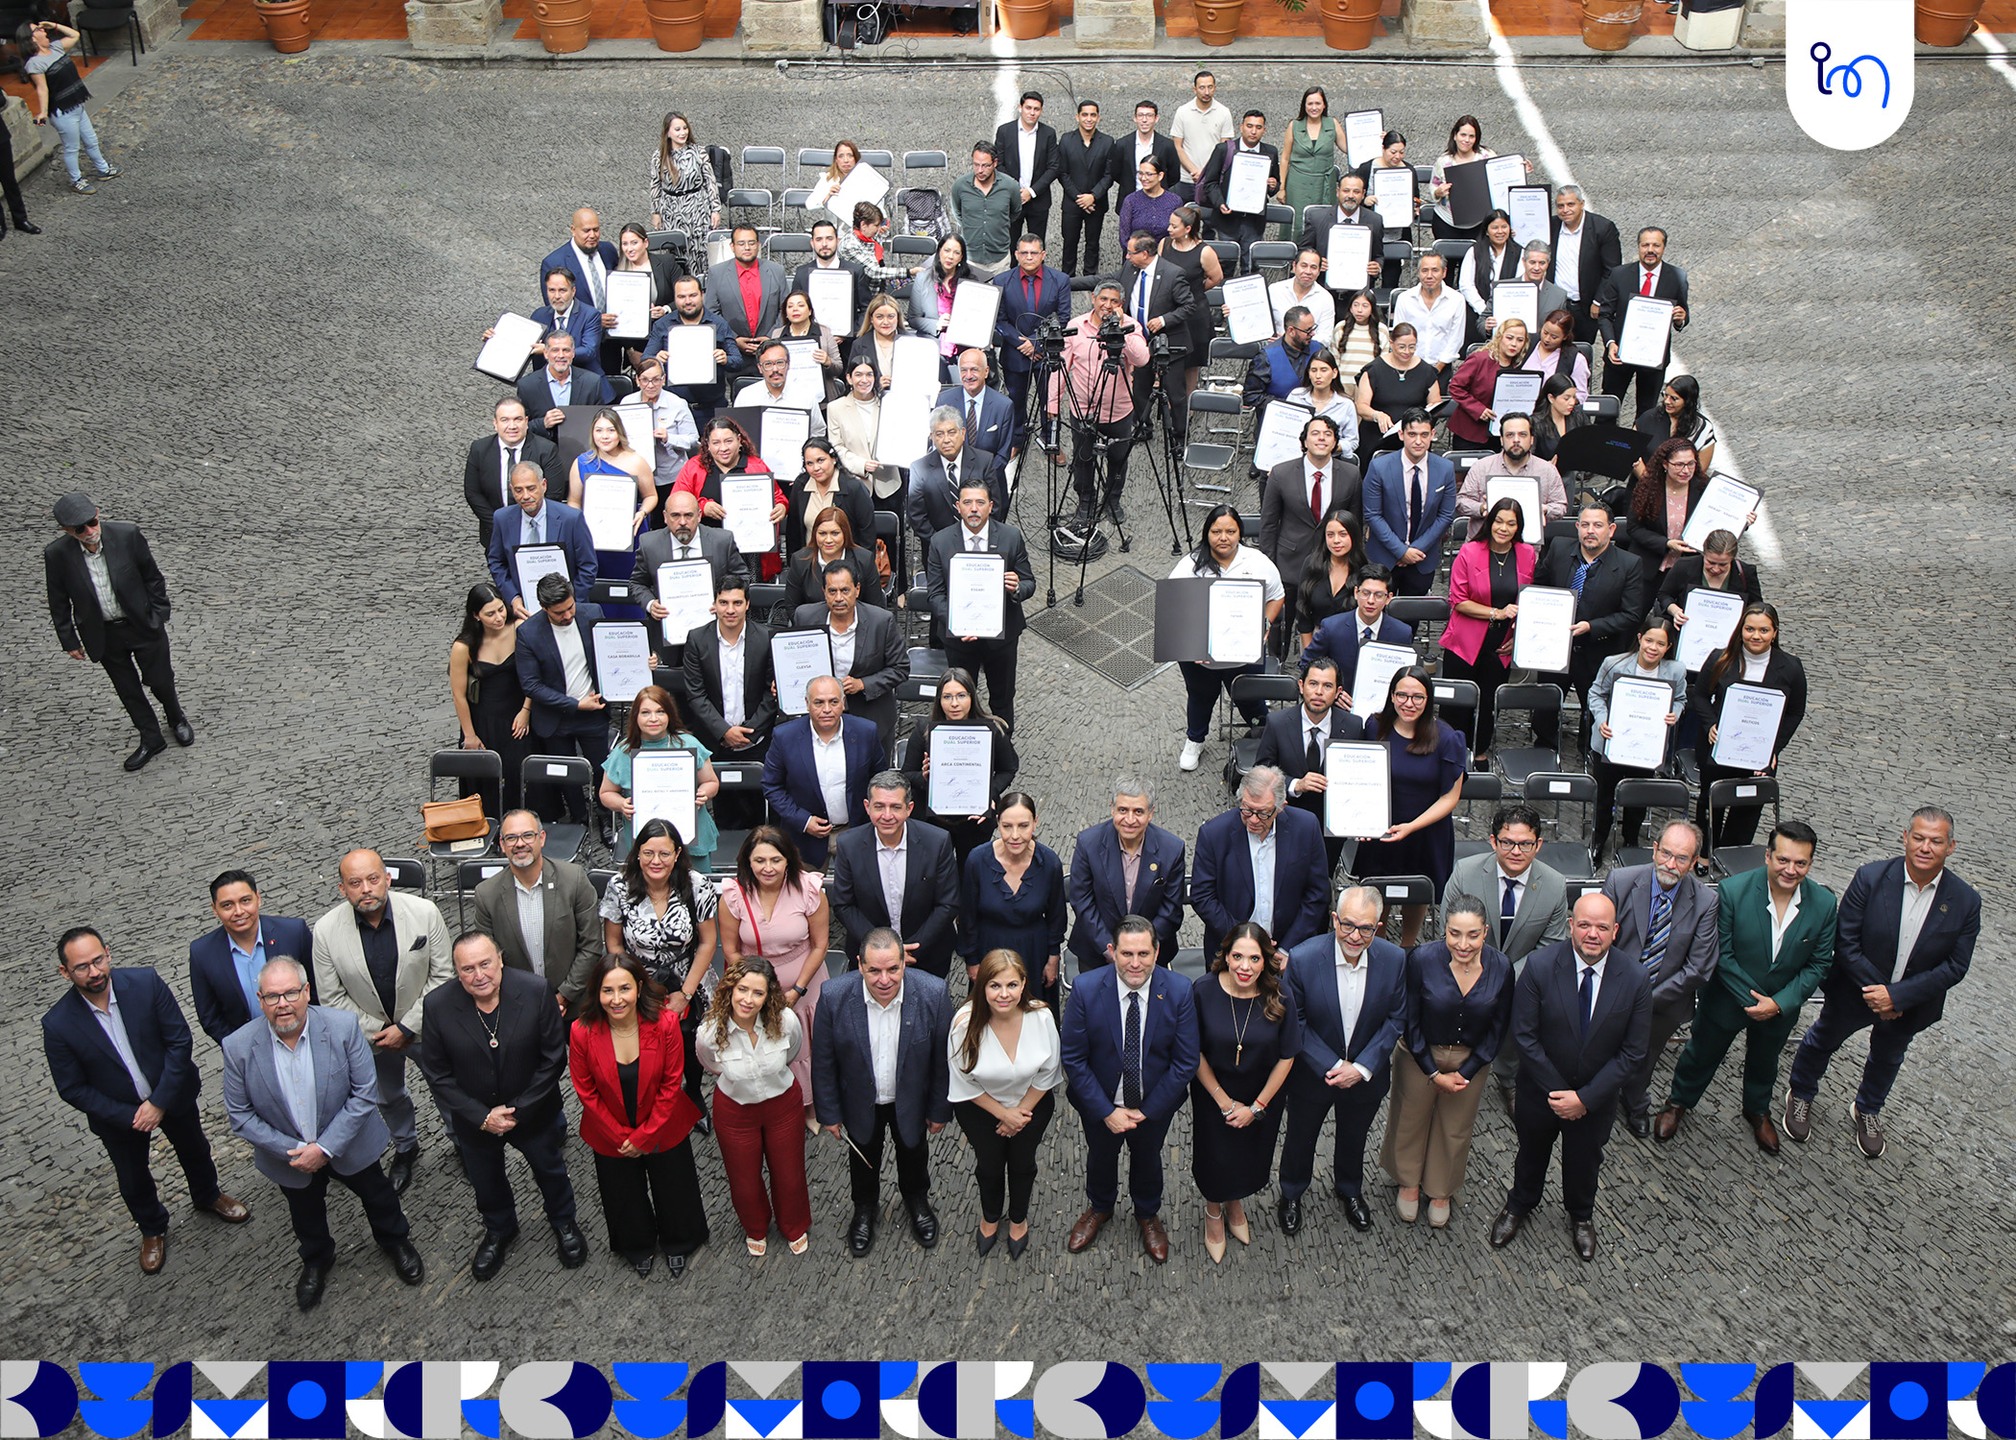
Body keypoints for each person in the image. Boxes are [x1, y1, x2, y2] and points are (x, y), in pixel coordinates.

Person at [221, 957, 423, 1310]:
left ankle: (395, 1240)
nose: (283, 1004)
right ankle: (316, 1258)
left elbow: (364, 1092)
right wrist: (296, 1151)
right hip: (292, 1160)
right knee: (305, 1212)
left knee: (379, 1196)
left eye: (290, 993)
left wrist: (326, 1148)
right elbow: (240, 1114)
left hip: (351, 1144)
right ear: (260, 999)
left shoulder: (342, 1027)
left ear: (306, 991)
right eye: (272, 997)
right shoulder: (238, 1047)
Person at [44, 930, 249, 1274]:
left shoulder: (146, 983)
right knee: (132, 1176)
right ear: (65, 972)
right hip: (120, 1118)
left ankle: (208, 1195)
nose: (94, 972)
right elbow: (72, 1087)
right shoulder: (58, 1023)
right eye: (81, 967)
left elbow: (179, 1041)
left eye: (98, 960)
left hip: (171, 1096)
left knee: (195, 1148)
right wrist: (131, 1115)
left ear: (108, 953)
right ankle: (152, 1228)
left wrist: (159, 1102)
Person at [1785, 808, 1979, 1160]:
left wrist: (1898, 997)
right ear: (1905, 838)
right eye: (1919, 838)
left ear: (1951, 847)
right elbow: (1846, 941)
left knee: (1888, 1057)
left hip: (1912, 1004)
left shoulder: (1966, 901)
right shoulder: (1870, 878)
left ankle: (1868, 1109)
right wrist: (1880, 994)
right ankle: (1800, 1093)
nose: (1925, 847)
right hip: (1855, 991)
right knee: (1823, 1039)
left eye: (1936, 841)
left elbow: (1956, 966)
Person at [1487, 893, 1650, 1262]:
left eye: (1602, 927)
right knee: (1530, 1154)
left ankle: (1581, 1216)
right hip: (1540, 1094)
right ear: (1571, 926)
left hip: (1596, 1099)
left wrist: (1586, 1099)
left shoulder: (1635, 978)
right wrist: (1562, 1093)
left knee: (1585, 1160)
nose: (1593, 934)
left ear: (1615, 931)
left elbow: (1633, 1052)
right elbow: (1524, 1036)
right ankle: (1519, 1205)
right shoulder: (1541, 966)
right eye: (1585, 925)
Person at [1657, 822, 1836, 1154]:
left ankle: (1757, 1109)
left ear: (1810, 864)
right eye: (1783, 859)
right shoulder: (1732, 891)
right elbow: (1721, 954)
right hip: (1725, 1000)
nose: (1790, 869)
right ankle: (1678, 1102)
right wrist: (1755, 999)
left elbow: (1819, 964)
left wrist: (1778, 1003)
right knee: (1700, 1055)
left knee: (1765, 1061)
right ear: (1767, 856)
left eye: (1801, 863)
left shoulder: (1824, 904)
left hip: (1780, 1009)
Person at [420, 933, 586, 1280]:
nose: (479, 975)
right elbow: (438, 1073)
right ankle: (500, 1229)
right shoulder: (437, 1005)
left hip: (534, 1111)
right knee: (486, 1180)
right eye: (467, 969)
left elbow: (553, 1059)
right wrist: (481, 1116)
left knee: (550, 1171)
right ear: (456, 972)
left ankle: (563, 1222)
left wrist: (518, 1110)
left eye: (485, 964)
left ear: (500, 960)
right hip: (475, 1119)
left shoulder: (536, 990)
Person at [308, 849, 454, 1193]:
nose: (366, 889)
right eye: (355, 883)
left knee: (446, 1088)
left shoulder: (424, 913)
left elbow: (443, 976)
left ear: (387, 878)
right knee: (387, 1097)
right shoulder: (326, 932)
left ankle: (461, 1142)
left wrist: (407, 1027)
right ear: (342, 888)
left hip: (425, 1028)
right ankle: (405, 1146)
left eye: (373, 879)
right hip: (371, 1040)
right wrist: (382, 1033)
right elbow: (331, 999)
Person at [1059, 915, 1199, 1263]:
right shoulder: (1086, 989)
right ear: (1112, 952)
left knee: (1148, 1158)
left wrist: (1147, 1111)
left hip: (1153, 1105)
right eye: (1126, 954)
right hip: (1100, 1104)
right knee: (1100, 1155)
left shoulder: (1180, 990)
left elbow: (1185, 1062)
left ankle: (1147, 1214)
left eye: (1143, 954)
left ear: (1157, 952)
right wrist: (1106, 1112)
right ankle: (1100, 1207)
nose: (1135, 963)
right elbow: (1074, 1059)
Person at [811, 928, 953, 1256]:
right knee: (863, 1158)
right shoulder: (833, 996)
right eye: (874, 970)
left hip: (912, 1100)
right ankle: (864, 1209)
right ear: (860, 965)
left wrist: (938, 1109)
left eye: (893, 969)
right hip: (861, 1102)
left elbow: (941, 1062)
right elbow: (823, 1062)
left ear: (905, 963)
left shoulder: (934, 993)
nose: (884, 979)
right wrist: (829, 1113)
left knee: (914, 1154)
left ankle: (917, 1201)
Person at [568, 951, 708, 1277]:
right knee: (622, 1192)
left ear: (639, 988)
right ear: (596, 992)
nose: (617, 999)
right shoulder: (580, 1031)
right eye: (608, 991)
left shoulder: (666, 1023)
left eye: (624, 989)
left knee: (674, 1185)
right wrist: (622, 1137)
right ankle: (636, 1244)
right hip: (609, 1126)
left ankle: (680, 1240)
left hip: (663, 1119)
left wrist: (645, 1135)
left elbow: (673, 1083)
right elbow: (585, 1090)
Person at [1277, 886, 1406, 1234]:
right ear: (1334, 919)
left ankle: (1349, 1189)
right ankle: (1291, 1193)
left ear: (1378, 927)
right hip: (1312, 1075)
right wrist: (1334, 1066)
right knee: (1300, 1137)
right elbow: (1296, 1022)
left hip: (1366, 1076)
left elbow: (1396, 1019)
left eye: (1365, 928)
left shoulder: (1394, 960)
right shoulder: (1303, 959)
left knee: (1355, 1137)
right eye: (1347, 924)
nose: (1354, 935)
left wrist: (1361, 1068)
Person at [1379, 896, 1513, 1228]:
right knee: (1409, 1118)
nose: (1463, 944)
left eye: (1472, 935)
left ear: (1485, 932)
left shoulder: (1502, 968)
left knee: (1455, 1127)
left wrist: (1466, 1071)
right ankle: (1408, 1180)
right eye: (1455, 934)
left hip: (1472, 1059)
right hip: (1419, 1053)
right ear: (1444, 930)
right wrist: (1432, 1071)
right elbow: (1409, 1020)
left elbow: (1498, 1029)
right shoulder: (1421, 960)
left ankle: (1440, 1189)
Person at [45, 492, 191, 773]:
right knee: (127, 688)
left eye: (92, 522)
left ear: (98, 513)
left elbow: (152, 576)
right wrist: (68, 639)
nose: (90, 531)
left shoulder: (127, 535)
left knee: (160, 679)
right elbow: (58, 601)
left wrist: (158, 615)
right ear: (66, 530)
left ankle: (176, 718)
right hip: (104, 633)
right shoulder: (57, 555)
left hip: (141, 625)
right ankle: (151, 737)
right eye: (80, 529)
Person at [1443, 804, 1568, 1111]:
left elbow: (1550, 947)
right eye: (1507, 842)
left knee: (1519, 1017)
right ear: (1492, 841)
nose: (1516, 851)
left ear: (1538, 845)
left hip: (1522, 978)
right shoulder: (1465, 872)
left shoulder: (1554, 885)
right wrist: (1478, 974)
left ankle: (1507, 1078)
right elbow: (1449, 929)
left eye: (1525, 843)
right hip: (1466, 968)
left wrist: (1503, 981)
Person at [1189, 923, 1300, 1260]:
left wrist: (1256, 1107)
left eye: (1254, 958)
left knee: (1248, 1155)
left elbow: (1288, 1055)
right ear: (1225, 955)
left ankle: (1235, 1203)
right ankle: (1213, 1210)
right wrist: (1225, 1103)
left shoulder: (1280, 994)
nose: (1244, 967)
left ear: (1266, 960)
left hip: (1261, 1095)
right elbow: (1194, 1052)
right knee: (1214, 1156)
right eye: (1237, 956)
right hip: (1214, 1095)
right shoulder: (1203, 991)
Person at [1601, 821, 1718, 1137]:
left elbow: (1698, 968)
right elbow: (1597, 941)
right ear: (1654, 849)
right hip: (1610, 992)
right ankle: (1598, 1099)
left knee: (1645, 1059)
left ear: (1694, 863)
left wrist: (1643, 1002)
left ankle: (1635, 1102)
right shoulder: (1620, 881)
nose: (1670, 864)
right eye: (1666, 853)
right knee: (1599, 1049)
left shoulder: (1706, 902)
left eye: (1681, 858)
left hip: (1663, 1004)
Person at [600, 817, 718, 1115]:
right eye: (648, 853)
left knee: (690, 1043)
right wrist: (631, 985)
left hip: (689, 979)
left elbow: (707, 943)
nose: (656, 861)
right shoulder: (619, 886)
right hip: (637, 981)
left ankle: (693, 1092)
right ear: (637, 852)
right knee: (646, 1048)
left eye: (664, 854)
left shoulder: (697, 885)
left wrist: (686, 994)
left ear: (677, 854)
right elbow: (613, 944)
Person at [948, 949, 1061, 1257]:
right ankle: (990, 1216)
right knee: (989, 1166)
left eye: (1012, 985)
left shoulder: (1042, 1017)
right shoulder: (963, 1024)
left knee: (1024, 1165)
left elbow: (1049, 1071)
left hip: (1032, 1108)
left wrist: (1019, 1114)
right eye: (995, 985)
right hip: (980, 1111)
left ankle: (1018, 1219)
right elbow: (962, 1081)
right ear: (981, 986)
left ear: (1024, 984)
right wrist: (1004, 1115)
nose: (1003, 994)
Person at [719, 825, 831, 1132]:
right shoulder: (733, 895)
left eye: (775, 860)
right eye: (759, 861)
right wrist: (758, 990)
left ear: (788, 860)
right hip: (754, 989)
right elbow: (730, 950)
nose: (767, 868)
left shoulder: (809, 889)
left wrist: (797, 989)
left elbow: (820, 945)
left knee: (806, 1046)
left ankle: (808, 1105)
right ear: (747, 862)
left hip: (804, 984)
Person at [696, 958, 811, 1255]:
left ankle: (794, 1224)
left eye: (757, 993)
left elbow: (792, 1052)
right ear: (730, 989)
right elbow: (711, 1064)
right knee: (744, 1178)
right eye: (742, 990)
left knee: (789, 1173)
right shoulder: (709, 1033)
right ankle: (755, 1225)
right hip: (735, 1111)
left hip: (783, 1105)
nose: (748, 999)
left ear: (768, 995)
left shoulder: (786, 1021)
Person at [1352, 668, 1470, 947]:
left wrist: (1412, 827)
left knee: (1416, 896)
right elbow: (1360, 777)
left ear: (1428, 699)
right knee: (1376, 896)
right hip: (1381, 828)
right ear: (1392, 696)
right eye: (1402, 694)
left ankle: (1408, 947)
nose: (1409, 702)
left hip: (1425, 832)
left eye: (1418, 697)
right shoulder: (1374, 726)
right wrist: (1357, 819)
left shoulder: (1447, 738)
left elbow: (1450, 798)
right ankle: (1377, 948)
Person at [1169, 506, 1284, 772]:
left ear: (1240, 534)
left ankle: (1265, 734)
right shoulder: (1191, 564)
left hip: (1244, 650)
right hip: (1201, 652)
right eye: (1216, 531)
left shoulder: (1256, 561)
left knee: (1249, 695)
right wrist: (1190, 644)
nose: (1224, 537)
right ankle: (1194, 739)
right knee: (1200, 696)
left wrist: (1265, 623)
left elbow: (1277, 596)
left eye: (1230, 531)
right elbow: (1173, 604)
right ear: (1206, 533)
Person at [1530, 502, 1651, 749]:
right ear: (1577, 527)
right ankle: (1545, 745)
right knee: (1545, 706)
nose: (1590, 531)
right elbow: (1538, 586)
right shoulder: (1559, 549)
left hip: (1598, 651)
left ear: (1612, 529)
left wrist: (1592, 627)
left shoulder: (1629, 564)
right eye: (1585, 525)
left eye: (1598, 525)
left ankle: (1589, 750)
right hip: (1554, 648)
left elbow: (1631, 615)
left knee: (1594, 709)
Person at [1690, 601, 1807, 849]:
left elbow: (1795, 712)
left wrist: (1774, 748)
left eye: (1763, 630)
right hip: (1719, 747)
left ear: (1775, 632)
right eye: (1750, 629)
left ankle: (1734, 852)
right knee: (1710, 801)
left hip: (1759, 752)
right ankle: (1704, 852)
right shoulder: (1719, 658)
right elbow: (1699, 695)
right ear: (1741, 629)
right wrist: (1710, 723)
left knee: (1749, 805)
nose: (1756, 636)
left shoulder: (1791, 667)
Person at [925, 479, 1035, 731]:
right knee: (959, 700)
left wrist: (1017, 587)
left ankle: (1003, 750)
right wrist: (958, 623)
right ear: (958, 507)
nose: (973, 508)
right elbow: (935, 595)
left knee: (1003, 696)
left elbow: (1029, 582)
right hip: (959, 640)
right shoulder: (940, 542)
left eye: (980, 502)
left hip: (1002, 637)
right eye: (967, 502)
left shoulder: (1011, 537)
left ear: (991, 507)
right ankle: (965, 750)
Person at [1190, 766, 1331, 961]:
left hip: (1289, 952)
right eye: (1247, 810)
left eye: (1263, 813)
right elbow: (1202, 896)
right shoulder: (1214, 834)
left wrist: (1287, 949)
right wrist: (1243, 941)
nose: (1254, 820)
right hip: (1231, 950)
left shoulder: (1306, 827)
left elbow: (1317, 893)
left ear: (1281, 807)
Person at [831, 770, 962, 977]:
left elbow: (948, 903)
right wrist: (883, 950)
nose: (887, 816)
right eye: (879, 806)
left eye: (895, 807)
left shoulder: (937, 842)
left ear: (909, 808)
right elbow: (844, 904)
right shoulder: (848, 845)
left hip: (926, 955)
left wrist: (911, 949)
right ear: (867, 807)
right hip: (871, 959)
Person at [470, 810, 603, 1013]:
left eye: (527, 835)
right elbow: (489, 959)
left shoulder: (573, 880)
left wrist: (564, 996)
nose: (520, 844)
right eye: (511, 838)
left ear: (541, 838)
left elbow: (591, 945)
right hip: (518, 1007)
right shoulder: (486, 894)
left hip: (576, 1005)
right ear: (502, 845)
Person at [515, 573, 613, 840]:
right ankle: (579, 818)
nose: (568, 615)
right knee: (567, 773)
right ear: (544, 608)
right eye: (559, 612)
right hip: (556, 717)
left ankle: (605, 817)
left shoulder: (592, 612)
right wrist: (574, 704)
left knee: (601, 767)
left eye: (570, 607)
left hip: (593, 710)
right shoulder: (528, 633)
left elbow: (611, 650)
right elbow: (531, 685)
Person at [1439, 497, 1536, 762]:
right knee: (1456, 703)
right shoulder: (1470, 552)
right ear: (1490, 522)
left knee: (1488, 703)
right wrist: (1497, 613)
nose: (1503, 528)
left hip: (1501, 644)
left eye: (1511, 523)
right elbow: (1457, 601)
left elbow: (1528, 600)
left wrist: (1517, 634)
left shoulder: (1527, 554)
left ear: (1519, 527)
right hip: (1465, 641)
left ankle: (1479, 750)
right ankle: (1450, 753)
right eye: (1499, 521)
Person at [1050, 279, 1150, 530]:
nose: (1107, 305)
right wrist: (1053, 401)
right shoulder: (1076, 326)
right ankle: (1085, 501)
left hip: (1118, 410)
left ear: (1121, 305)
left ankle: (1112, 500)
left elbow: (1141, 358)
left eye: (1114, 301)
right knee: (1082, 459)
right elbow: (1062, 366)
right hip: (1082, 408)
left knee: (1117, 458)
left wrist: (1121, 327)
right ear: (1093, 299)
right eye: (1103, 299)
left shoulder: (1131, 326)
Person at [1586, 619, 1687, 865]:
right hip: (1611, 741)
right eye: (1649, 640)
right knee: (1604, 796)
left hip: (1646, 745)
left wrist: (1675, 713)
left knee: (1638, 796)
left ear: (1668, 647)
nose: (1653, 647)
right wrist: (1601, 719)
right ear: (1640, 638)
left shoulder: (1676, 670)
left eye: (1660, 643)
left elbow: (1681, 699)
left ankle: (1631, 839)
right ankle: (1598, 841)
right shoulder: (1614, 663)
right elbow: (1595, 693)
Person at [1253, 655, 1363, 873]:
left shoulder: (1353, 726)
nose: (1319, 692)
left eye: (1327, 686)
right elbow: (1261, 772)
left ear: (1338, 692)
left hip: (1331, 826)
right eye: (1313, 684)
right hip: (1286, 819)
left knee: (1323, 878)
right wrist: (1295, 785)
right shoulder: (1278, 723)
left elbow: (1360, 777)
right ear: (1301, 686)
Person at [901, 667, 1021, 867]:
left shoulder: (992, 729)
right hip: (933, 821)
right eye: (947, 696)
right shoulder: (924, 730)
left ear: (972, 697)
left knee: (971, 875)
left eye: (961, 696)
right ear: (939, 699)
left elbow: (1008, 769)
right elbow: (906, 773)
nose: (954, 703)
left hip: (975, 821)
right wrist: (926, 777)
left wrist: (987, 794)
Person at [761, 674, 882, 869]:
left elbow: (880, 779)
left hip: (856, 834)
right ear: (807, 704)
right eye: (819, 702)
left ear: (843, 703)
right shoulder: (785, 736)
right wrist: (803, 820)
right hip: (804, 839)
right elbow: (771, 786)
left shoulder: (866, 732)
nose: (826, 709)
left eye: (833, 702)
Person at [958, 792, 1067, 1010]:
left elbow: (1056, 917)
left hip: (1034, 953)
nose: (1015, 835)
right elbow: (967, 916)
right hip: (989, 951)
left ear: (1035, 823)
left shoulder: (1050, 863)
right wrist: (972, 960)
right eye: (1007, 826)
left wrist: (1053, 959)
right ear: (997, 822)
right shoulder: (977, 860)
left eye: (1023, 826)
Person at [791, 558, 908, 759]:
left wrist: (863, 684)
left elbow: (900, 668)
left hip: (870, 716)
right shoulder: (805, 616)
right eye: (832, 591)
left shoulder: (881, 621)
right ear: (823, 591)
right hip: (820, 720)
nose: (838, 598)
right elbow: (794, 659)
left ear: (857, 589)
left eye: (845, 590)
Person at [1067, 778, 1188, 971]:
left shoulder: (1171, 849)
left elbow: (1171, 909)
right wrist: (1110, 948)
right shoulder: (1088, 843)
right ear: (1112, 809)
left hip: (1151, 956)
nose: (1130, 820)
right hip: (1097, 953)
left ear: (1151, 813)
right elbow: (1082, 901)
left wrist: (1140, 951)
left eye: (1138, 811)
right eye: (1123, 810)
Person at [189, 871, 315, 1048]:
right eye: (227, 905)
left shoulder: (293, 933)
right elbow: (209, 1017)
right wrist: (241, 1048)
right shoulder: (202, 953)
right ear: (214, 909)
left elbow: (316, 991)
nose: (239, 911)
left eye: (245, 901)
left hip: (305, 1038)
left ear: (258, 899)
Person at [1261, 416, 1359, 641]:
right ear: (1304, 441)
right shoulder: (1280, 473)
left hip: (1333, 566)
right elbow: (1268, 524)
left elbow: (1355, 524)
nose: (1322, 438)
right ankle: (1279, 665)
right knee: (1280, 627)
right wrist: (1270, 566)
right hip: (1289, 564)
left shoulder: (1351, 475)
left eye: (1328, 434)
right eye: (1315, 433)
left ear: (1335, 442)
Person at [600, 684, 721, 866]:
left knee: (695, 889)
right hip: (647, 841)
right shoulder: (622, 751)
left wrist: (704, 793)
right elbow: (605, 793)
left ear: (669, 714)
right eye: (646, 712)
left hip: (691, 837)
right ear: (635, 717)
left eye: (660, 711)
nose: (653, 719)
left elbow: (711, 782)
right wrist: (621, 804)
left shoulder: (689, 744)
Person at [681, 576, 779, 771]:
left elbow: (772, 692)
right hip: (713, 741)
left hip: (756, 741)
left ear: (748, 604)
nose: (730, 610)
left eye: (737, 603)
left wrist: (749, 733)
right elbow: (696, 695)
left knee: (756, 800)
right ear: (714, 604)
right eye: (723, 603)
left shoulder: (766, 638)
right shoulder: (697, 639)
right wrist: (724, 731)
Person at [1595, 225, 1692, 416]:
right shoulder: (1619, 274)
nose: (1650, 250)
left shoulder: (1677, 277)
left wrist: (1681, 319)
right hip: (1620, 355)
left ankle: (1640, 446)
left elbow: (1682, 313)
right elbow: (1605, 314)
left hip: (1653, 358)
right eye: (1645, 245)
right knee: (1608, 408)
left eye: (1656, 245)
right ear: (1638, 247)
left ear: (1664, 248)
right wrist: (1610, 343)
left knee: (1647, 413)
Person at [990, 234, 1072, 456]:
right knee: (1016, 399)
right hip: (1015, 352)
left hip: (1046, 353)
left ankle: (1050, 440)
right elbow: (1000, 320)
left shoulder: (1060, 280)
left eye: (1034, 253)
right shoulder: (1002, 281)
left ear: (1043, 255)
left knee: (1050, 400)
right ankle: (1017, 438)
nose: (1028, 257)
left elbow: (1062, 318)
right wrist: (1021, 343)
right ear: (1016, 255)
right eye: (1024, 253)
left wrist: (1037, 344)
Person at [670, 418, 788, 572]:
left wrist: (781, 506)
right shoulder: (694, 466)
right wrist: (702, 507)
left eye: (728, 441)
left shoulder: (756, 466)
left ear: (739, 440)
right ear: (707, 444)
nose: (723, 448)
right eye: (716, 442)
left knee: (747, 591)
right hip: (706, 545)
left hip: (749, 548)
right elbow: (675, 502)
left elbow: (778, 497)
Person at [1362, 410, 1458, 597]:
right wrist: (1401, 551)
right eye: (1412, 434)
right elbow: (1372, 514)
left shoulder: (1445, 468)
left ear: (1433, 435)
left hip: (1422, 558)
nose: (1418, 441)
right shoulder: (1379, 467)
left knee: (1412, 617)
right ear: (1401, 435)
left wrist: (1415, 550)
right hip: (1384, 556)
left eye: (1424, 435)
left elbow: (1446, 515)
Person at [568, 407, 658, 598]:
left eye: (610, 430)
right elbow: (573, 502)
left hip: (629, 535)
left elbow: (651, 496)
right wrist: (581, 525)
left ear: (619, 432)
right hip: (594, 538)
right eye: (599, 430)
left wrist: (642, 512)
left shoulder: (636, 461)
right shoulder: (581, 463)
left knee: (629, 587)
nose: (605, 436)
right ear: (592, 433)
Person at [488, 464, 598, 619]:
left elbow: (588, 566)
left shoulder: (571, 519)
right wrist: (513, 598)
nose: (525, 496)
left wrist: (569, 605)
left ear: (544, 485)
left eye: (531, 488)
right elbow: (496, 562)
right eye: (518, 490)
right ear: (511, 489)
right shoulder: (502, 519)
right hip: (522, 611)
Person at [20, 19, 118, 192]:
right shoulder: (34, 64)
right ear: (31, 38)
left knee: (91, 139)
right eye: (38, 29)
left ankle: (103, 169)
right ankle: (76, 180)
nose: (44, 30)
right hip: (62, 111)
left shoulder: (56, 48)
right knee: (72, 147)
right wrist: (42, 112)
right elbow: (42, 89)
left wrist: (55, 25)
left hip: (76, 104)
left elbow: (75, 35)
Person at [464, 397, 563, 551]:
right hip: (495, 534)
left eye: (518, 419)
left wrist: (527, 522)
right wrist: (498, 524)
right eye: (505, 420)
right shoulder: (479, 449)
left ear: (526, 421)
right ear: (495, 424)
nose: (512, 426)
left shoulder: (546, 450)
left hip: (537, 532)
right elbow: (473, 492)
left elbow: (554, 493)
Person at [633, 487, 751, 615]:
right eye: (675, 515)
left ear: (699, 516)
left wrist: (724, 603)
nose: (682, 522)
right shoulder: (649, 544)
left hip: (714, 623)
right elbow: (637, 583)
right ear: (665, 517)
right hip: (668, 622)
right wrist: (650, 604)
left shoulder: (722, 541)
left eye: (688, 515)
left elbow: (742, 578)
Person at [908, 407, 1009, 555]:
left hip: (978, 546)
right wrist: (941, 544)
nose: (946, 440)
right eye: (939, 434)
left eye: (951, 432)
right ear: (932, 437)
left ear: (963, 433)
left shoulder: (984, 461)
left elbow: (994, 507)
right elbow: (916, 516)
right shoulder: (920, 468)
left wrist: (975, 539)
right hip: (936, 549)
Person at [641, 275, 743, 421]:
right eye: (681, 297)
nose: (688, 301)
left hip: (711, 409)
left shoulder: (719, 323)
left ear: (702, 295)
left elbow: (738, 361)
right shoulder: (662, 325)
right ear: (675, 299)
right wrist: (656, 360)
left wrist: (725, 359)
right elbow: (645, 360)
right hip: (672, 410)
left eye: (693, 295)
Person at [1453, 413, 1567, 542]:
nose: (1516, 440)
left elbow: (1561, 506)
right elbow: (1461, 501)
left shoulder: (1547, 470)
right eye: (1510, 435)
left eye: (1522, 435)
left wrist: (1545, 509)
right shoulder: (1482, 467)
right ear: (1501, 440)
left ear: (1532, 439)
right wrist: (1482, 508)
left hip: (1527, 547)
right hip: (1483, 547)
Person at [1618, 438, 1725, 573]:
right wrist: (1666, 543)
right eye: (1679, 464)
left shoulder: (1704, 487)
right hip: (1650, 566)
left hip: (1689, 567)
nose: (1686, 470)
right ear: (1665, 464)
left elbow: (1722, 518)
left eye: (1691, 464)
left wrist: (1745, 521)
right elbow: (1634, 528)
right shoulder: (1648, 488)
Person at [1299, 562, 1409, 692]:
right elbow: (1307, 664)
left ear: (1389, 598)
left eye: (1378, 595)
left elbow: (1406, 679)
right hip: (1338, 704)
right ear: (1356, 593)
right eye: (1366, 593)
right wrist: (1332, 694)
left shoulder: (1401, 633)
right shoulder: (1332, 627)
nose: (1371, 601)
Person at [1159, 204, 1223, 405]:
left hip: (1193, 314)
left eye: (1174, 226)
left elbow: (1216, 277)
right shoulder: (1165, 244)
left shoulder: (1204, 251)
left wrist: (1193, 290)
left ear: (1188, 229)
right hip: (1169, 309)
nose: (1169, 229)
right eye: (1169, 224)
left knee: (1191, 364)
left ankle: (1186, 406)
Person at [1426, 115, 1524, 242]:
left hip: (1479, 224)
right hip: (1447, 223)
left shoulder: (1487, 156)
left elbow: (1503, 177)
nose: (1467, 140)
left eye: (1471, 136)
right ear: (1455, 135)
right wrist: (1438, 192)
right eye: (1463, 135)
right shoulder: (1443, 161)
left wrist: (1520, 168)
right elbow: (1434, 186)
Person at [1351, 324, 1441, 463]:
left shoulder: (1426, 371)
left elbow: (1435, 403)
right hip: (1378, 437)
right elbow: (1361, 406)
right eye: (1402, 347)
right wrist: (1377, 415)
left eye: (1412, 347)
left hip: (1413, 438)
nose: (1407, 351)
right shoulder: (1374, 370)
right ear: (1391, 343)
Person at [1198, 108, 1280, 258]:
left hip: (1254, 221)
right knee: (1225, 263)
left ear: (1264, 130)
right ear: (1241, 127)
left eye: (1258, 127)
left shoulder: (1271, 152)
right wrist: (1220, 203)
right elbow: (1210, 183)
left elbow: (1275, 185)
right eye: (1249, 126)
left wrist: (1273, 185)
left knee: (1250, 264)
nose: (1253, 131)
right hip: (1227, 218)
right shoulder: (1223, 150)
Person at [828, 356, 904, 517]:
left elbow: (900, 438)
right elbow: (836, 447)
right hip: (854, 484)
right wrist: (861, 464)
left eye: (869, 375)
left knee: (889, 539)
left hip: (888, 484)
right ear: (849, 378)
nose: (864, 380)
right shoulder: (835, 408)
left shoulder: (890, 404)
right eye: (858, 374)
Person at [1656, 528, 1763, 641]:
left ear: (1733, 558)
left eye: (1723, 564)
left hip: (1730, 638)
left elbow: (1757, 606)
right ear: (1704, 553)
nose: (1716, 569)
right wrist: (1675, 611)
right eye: (1710, 562)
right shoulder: (1684, 566)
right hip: (1688, 636)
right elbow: (1664, 594)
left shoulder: (1746, 573)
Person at [1548, 185, 1623, 344]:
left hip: (1586, 307)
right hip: (1556, 305)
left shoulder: (1603, 228)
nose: (1565, 210)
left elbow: (1612, 270)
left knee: (1581, 351)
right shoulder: (1550, 226)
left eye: (1570, 204)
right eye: (1560, 206)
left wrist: (1598, 302)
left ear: (1581, 204)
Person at [783, 437, 876, 563]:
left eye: (820, 460)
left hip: (846, 568)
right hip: (810, 565)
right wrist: (794, 567)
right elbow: (793, 533)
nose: (816, 468)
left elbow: (867, 535)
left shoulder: (854, 488)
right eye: (809, 463)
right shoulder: (800, 486)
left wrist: (860, 569)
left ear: (833, 459)